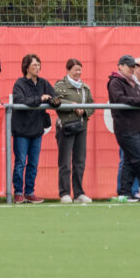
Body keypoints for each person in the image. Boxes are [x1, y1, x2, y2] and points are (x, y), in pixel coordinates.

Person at [108, 54, 140, 202]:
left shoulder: (130, 82)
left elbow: (133, 99)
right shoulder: (116, 82)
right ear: (120, 66)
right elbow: (120, 99)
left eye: (133, 66)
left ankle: (125, 192)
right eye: (129, 66)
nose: (132, 69)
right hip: (125, 127)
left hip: (135, 127)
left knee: (130, 160)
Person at [11, 54, 60, 204]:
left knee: (33, 163)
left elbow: (54, 97)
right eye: (34, 65)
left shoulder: (43, 83)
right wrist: (40, 99)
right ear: (26, 67)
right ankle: (18, 193)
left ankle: (29, 192)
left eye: (39, 65)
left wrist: (54, 101)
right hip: (21, 130)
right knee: (20, 163)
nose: (37, 68)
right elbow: (20, 100)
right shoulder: (19, 84)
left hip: (37, 129)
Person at [54, 58, 92, 204]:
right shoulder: (60, 85)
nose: (78, 72)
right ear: (68, 70)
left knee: (79, 162)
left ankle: (78, 193)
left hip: (81, 127)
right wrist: (72, 105)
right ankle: (64, 193)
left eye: (80, 69)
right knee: (65, 162)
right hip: (66, 127)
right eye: (75, 69)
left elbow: (92, 104)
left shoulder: (85, 88)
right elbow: (55, 100)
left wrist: (84, 111)